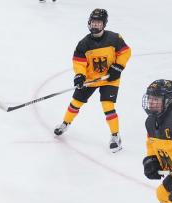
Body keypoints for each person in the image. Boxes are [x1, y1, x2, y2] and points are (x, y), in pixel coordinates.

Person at [53, 9, 131, 153]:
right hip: (90, 80)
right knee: (75, 103)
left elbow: (125, 52)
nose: (95, 25)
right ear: (89, 23)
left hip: (109, 79)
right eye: (93, 22)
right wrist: (80, 76)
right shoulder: (83, 44)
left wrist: (118, 66)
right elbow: (79, 63)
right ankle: (65, 123)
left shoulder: (114, 38)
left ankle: (115, 136)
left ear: (104, 24)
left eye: (98, 23)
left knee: (107, 106)